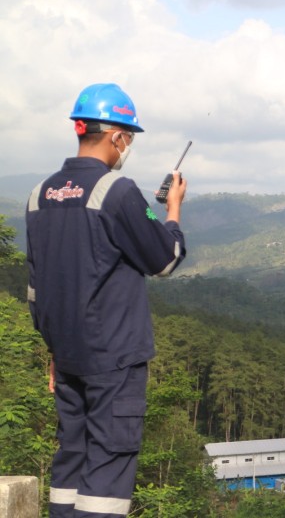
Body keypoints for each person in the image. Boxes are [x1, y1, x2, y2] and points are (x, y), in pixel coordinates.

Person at [25, 83, 188, 518]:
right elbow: (164, 259)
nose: (127, 147)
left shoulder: (38, 194)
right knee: (110, 464)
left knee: (72, 456)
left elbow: (37, 289)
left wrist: (55, 352)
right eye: (128, 138)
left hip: (68, 356)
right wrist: (171, 211)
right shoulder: (117, 191)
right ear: (116, 136)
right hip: (113, 357)